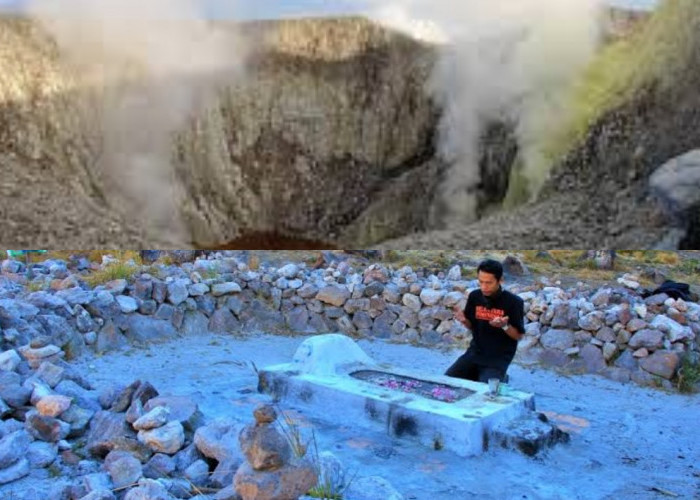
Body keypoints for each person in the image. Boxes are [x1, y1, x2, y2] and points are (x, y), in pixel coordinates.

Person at [445, 259, 524, 383]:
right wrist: (464, 320)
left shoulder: (514, 302)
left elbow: (518, 336)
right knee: (447, 382)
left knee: (486, 392)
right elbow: (472, 326)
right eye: (481, 282)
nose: (484, 287)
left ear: (500, 280)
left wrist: (504, 326)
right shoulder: (475, 296)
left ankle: (501, 376)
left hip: (497, 358)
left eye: (489, 283)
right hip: (474, 353)